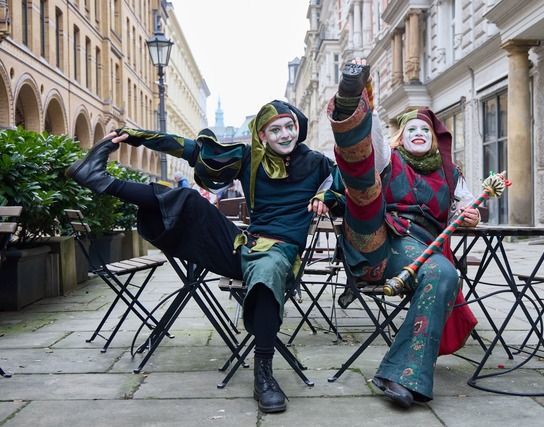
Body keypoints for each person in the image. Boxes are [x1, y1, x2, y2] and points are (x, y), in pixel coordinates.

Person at [65, 100, 344, 414]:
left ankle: (262, 374)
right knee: (186, 199)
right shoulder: (248, 157)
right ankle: (102, 181)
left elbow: (343, 182)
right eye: (275, 129)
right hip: (243, 247)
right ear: (262, 135)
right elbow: (194, 151)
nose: (285, 134)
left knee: (268, 270)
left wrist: (325, 194)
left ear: (297, 127)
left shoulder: (317, 163)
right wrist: (136, 137)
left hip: (282, 253)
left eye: (289, 127)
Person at [326, 59, 479, 408]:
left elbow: (463, 210)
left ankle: (401, 374)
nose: (418, 133)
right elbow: (375, 141)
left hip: (422, 250)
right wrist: (366, 102)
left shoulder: (451, 174)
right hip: (378, 239)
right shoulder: (389, 159)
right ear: (401, 138)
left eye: (424, 130)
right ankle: (349, 101)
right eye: (411, 130)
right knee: (361, 180)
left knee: (443, 272)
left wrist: (468, 216)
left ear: (433, 138)